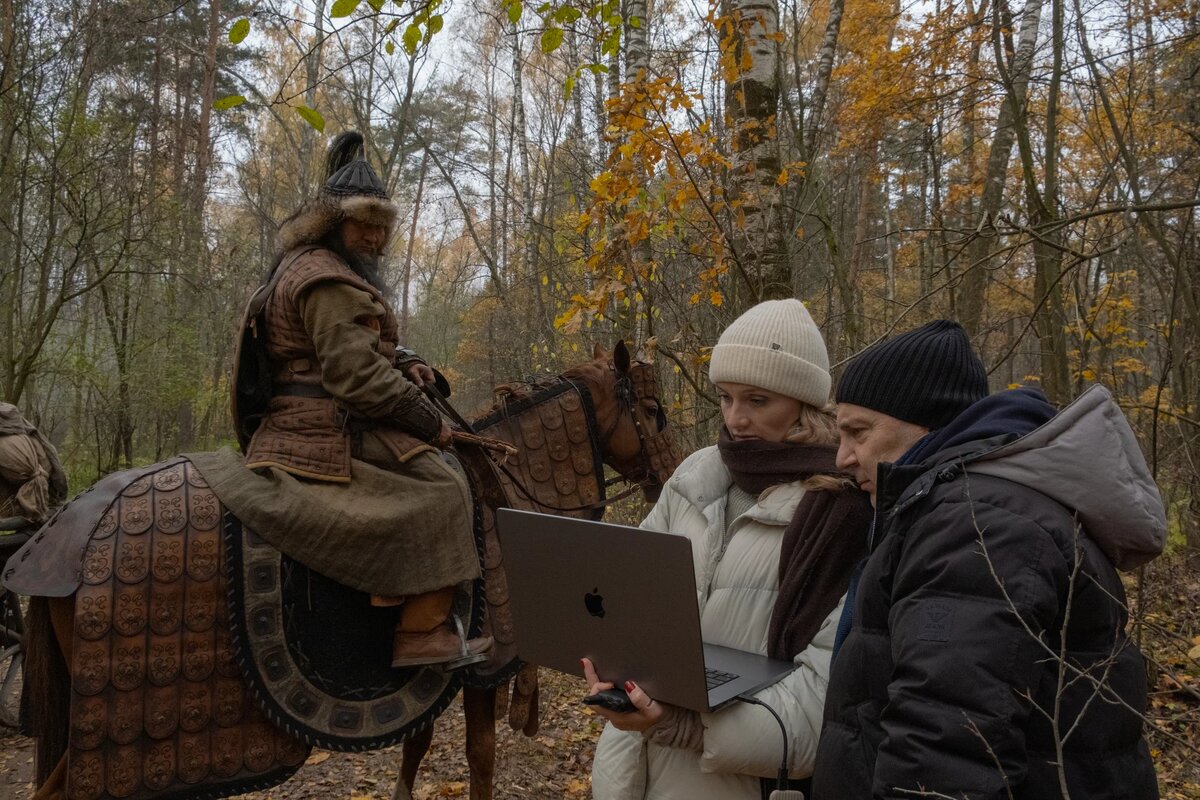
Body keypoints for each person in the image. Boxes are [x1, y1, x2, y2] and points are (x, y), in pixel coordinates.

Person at [812, 320, 1163, 799]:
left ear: (929, 425)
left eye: (858, 433)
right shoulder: (974, 509)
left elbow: (944, 750)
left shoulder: (977, 527)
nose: (842, 457)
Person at [195, 130, 490, 669]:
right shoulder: (327, 279)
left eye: (383, 227)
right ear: (335, 223)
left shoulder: (314, 266)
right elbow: (356, 379)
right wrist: (430, 423)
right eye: (365, 224)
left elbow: (351, 346)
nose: (376, 238)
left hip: (317, 420)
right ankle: (419, 634)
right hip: (321, 432)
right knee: (446, 489)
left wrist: (406, 360)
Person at [585, 299, 873, 800]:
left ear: (803, 401)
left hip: (737, 781)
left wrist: (684, 727)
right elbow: (624, 600)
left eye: (757, 400)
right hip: (632, 766)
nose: (735, 419)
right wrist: (607, 657)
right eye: (725, 397)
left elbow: (821, 701)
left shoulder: (840, 508)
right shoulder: (696, 475)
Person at [0, 403, 67, 526]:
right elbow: (51, 457)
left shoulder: (11, 442)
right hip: (45, 488)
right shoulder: (26, 432)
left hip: (27, 491)